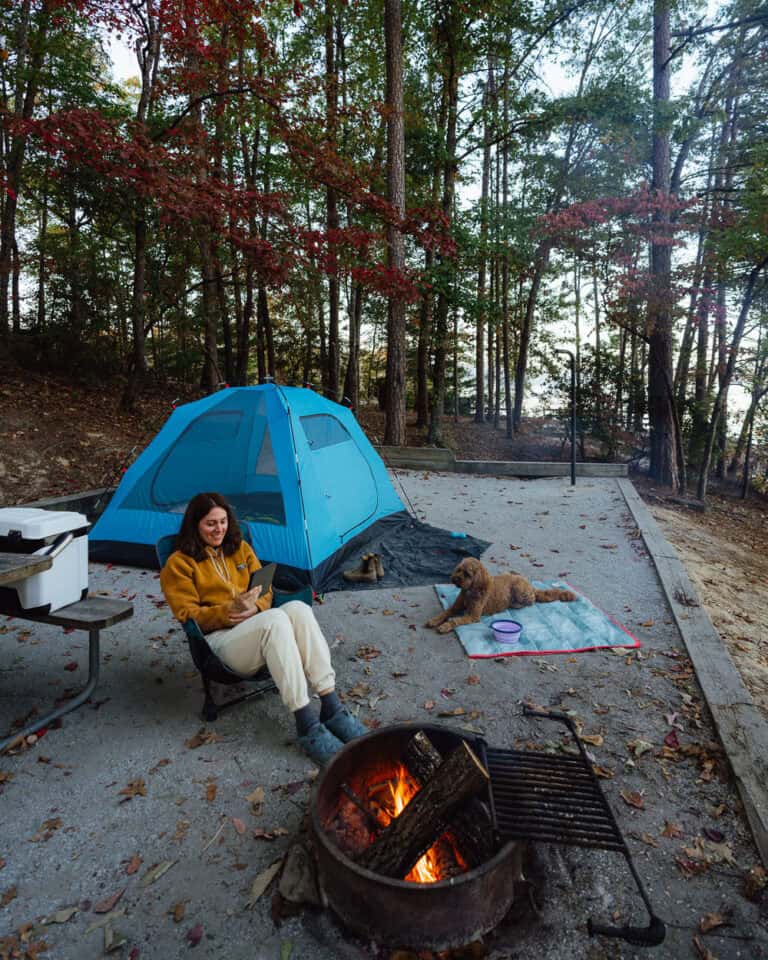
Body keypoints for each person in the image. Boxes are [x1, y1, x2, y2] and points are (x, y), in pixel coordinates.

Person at [160, 492, 366, 765]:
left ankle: (331, 706)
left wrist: (255, 608)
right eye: (211, 523)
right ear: (195, 525)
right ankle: (306, 722)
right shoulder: (179, 564)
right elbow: (188, 615)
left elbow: (263, 588)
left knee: (298, 610)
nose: (219, 529)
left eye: (222, 521)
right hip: (220, 642)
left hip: (254, 625)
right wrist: (227, 612)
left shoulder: (240, 549)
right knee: (276, 621)